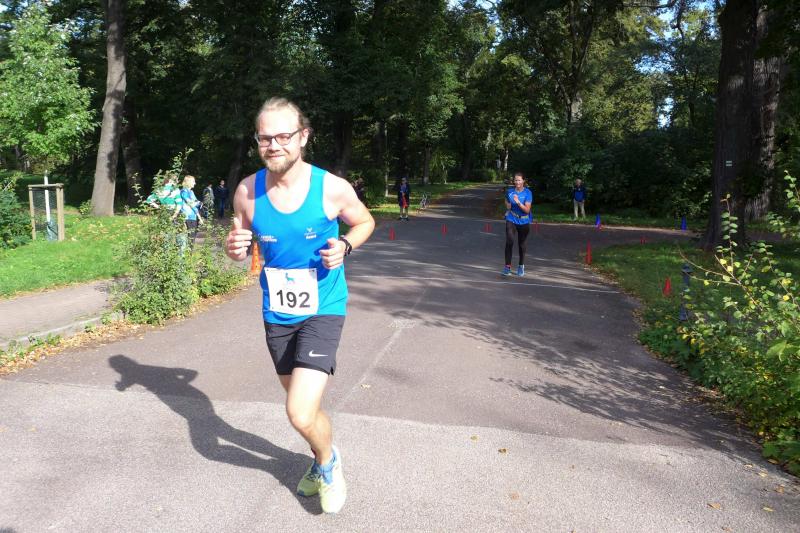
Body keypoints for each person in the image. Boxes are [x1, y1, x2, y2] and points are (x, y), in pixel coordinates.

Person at [225, 97, 374, 514]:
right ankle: (321, 454)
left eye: (283, 136)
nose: (274, 145)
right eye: (265, 138)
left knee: (299, 411)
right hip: (277, 312)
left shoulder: (331, 188)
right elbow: (240, 244)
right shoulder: (246, 191)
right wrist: (234, 248)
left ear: (303, 137)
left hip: (324, 306)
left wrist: (345, 245)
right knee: (303, 409)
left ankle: (328, 464)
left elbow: (365, 221)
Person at [502, 171, 533, 277]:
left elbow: (527, 210)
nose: (517, 182)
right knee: (509, 241)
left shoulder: (528, 193)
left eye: (519, 180)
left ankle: (521, 265)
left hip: (524, 221)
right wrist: (507, 204)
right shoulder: (509, 191)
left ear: (523, 181)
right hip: (511, 218)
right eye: (515, 180)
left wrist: (518, 202)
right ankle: (507, 267)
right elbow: (506, 200)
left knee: (521, 244)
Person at [179, 175, 203, 244]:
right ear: (188, 182)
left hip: (193, 217)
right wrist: (198, 203)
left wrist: (198, 203)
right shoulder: (183, 191)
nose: (195, 183)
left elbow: (196, 202)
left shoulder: (191, 192)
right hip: (187, 217)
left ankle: (189, 251)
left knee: (192, 238)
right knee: (190, 238)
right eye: (193, 181)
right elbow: (191, 203)